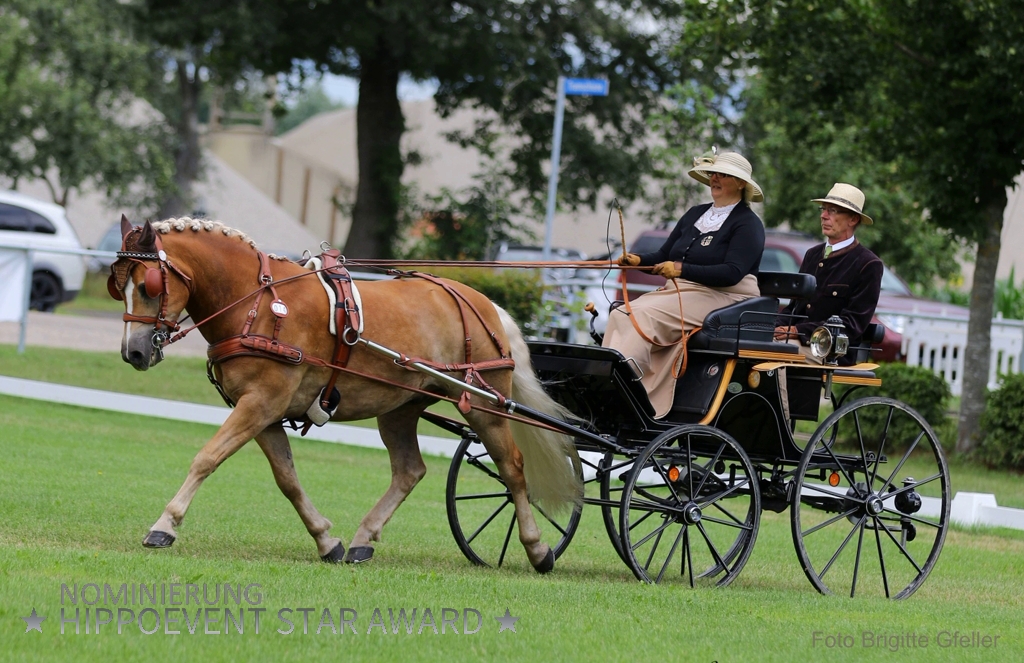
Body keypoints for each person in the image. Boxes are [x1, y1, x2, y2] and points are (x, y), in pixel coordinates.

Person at [603, 150, 765, 418]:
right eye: (713, 173)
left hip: (726, 297)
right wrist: (637, 260)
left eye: (724, 175)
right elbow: (665, 255)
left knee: (643, 314)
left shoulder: (748, 224)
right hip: (684, 292)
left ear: (741, 184)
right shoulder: (695, 214)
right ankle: (615, 381)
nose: (715, 178)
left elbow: (732, 273)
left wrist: (681, 269)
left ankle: (628, 385)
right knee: (621, 311)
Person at [775, 183, 883, 363]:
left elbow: (851, 324)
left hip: (832, 352)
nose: (823, 216)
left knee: (780, 353)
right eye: (823, 209)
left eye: (833, 211)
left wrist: (797, 331)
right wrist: (773, 327)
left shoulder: (868, 264)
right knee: (753, 346)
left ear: (853, 219)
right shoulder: (812, 255)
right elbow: (794, 308)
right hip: (795, 343)